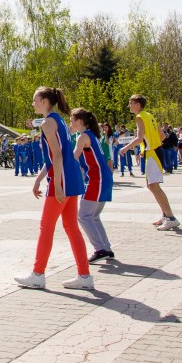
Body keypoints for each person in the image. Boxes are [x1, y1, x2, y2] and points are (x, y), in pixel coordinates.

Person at [15, 87, 93, 290]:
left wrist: (57, 185)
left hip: (63, 179)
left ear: (44, 102)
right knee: (71, 228)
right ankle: (84, 275)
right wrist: (39, 179)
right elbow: (55, 156)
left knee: (46, 227)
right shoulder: (59, 120)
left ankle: (37, 274)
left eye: (34, 100)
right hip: (71, 177)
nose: (32, 103)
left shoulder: (48, 123)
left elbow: (57, 155)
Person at [118, 94, 179, 231]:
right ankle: (165, 215)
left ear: (138, 104)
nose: (129, 106)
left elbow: (139, 138)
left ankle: (171, 218)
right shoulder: (149, 115)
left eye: (131, 103)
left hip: (152, 153)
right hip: (155, 152)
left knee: (154, 186)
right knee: (152, 186)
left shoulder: (140, 117)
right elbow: (162, 136)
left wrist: (126, 148)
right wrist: (149, 145)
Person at [71, 108, 115, 263]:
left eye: (71, 120)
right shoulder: (92, 135)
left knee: (83, 216)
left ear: (79, 121)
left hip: (97, 180)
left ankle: (100, 249)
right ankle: (106, 248)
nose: (70, 123)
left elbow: (74, 157)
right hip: (104, 178)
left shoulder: (83, 136)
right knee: (93, 216)